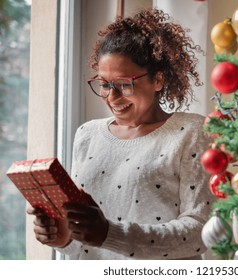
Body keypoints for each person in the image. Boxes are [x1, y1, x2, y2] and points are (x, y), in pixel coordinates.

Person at [27, 8, 216, 260]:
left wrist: (109, 233)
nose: (112, 97)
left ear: (157, 80)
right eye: (104, 84)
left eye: (124, 84)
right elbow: (82, 245)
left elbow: (199, 232)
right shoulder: (87, 135)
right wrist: (62, 237)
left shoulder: (191, 132)